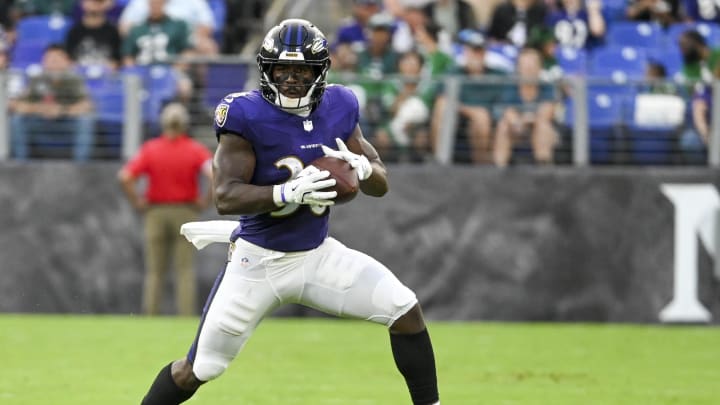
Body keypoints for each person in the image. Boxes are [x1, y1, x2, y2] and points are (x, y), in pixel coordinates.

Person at [139, 19, 440, 405]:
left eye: (302, 70)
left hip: (316, 254)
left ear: (320, 72)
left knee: (404, 308)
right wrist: (285, 192)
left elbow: (380, 183)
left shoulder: (341, 104)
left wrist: (365, 169)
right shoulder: (244, 114)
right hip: (258, 262)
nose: (292, 79)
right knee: (198, 369)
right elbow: (226, 197)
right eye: (283, 69)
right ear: (267, 69)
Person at [118, 102, 213, 316]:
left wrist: (138, 201)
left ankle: (151, 314)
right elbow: (213, 175)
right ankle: (185, 315)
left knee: (154, 271)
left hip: (155, 212)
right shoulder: (195, 149)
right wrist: (205, 201)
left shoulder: (151, 148)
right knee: (185, 270)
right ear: (185, 124)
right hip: (186, 212)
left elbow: (125, 177)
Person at [8, 43, 95, 161]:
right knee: (17, 120)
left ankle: (81, 166)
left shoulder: (75, 80)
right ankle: (20, 163)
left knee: (85, 121)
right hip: (41, 122)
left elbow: (87, 105)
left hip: (66, 122)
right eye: (49, 59)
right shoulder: (36, 79)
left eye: (57, 59)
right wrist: (38, 108)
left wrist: (62, 110)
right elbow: (16, 105)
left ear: (67, 62)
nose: (53, 63)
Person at [492, 47, 559, 166]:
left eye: (532, 65)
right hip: (517, 128)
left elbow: (546, 114)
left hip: (543, 131)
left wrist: (529, 120)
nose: (528, 69)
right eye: (525, 65)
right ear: (518, 68)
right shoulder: (511, 87)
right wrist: (520, 122)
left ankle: (544, 170)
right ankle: (499, 170)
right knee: (503, 126)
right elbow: (508, 112)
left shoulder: (547, 87)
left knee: (543, 127)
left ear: (539, 68)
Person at [65, 0, 122, 71]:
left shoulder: (113, 31)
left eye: (98, 2)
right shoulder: (74, 31)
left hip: (106, 76)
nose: (94, 6)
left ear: (105, 5)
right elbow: (68, 59)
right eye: (91, 2)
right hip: (80, 74)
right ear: (84, 4)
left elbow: (117, 61)